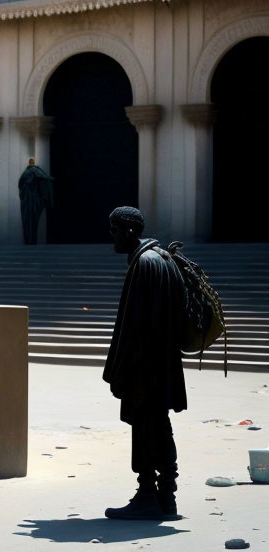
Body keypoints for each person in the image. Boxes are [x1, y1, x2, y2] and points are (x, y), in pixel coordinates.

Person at [103, 206, 187, 520]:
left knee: (146, 429)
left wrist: (125, 373)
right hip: (163, 365)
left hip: (146, 369)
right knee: (160, 426)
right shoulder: (164, 259)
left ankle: (147, 496)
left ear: (129, 231)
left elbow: (135, 327)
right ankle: (167, 496)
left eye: (114, 230)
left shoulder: (145, 264)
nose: (111, 236)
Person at [18, 157, 54, 244]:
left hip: (30, 201)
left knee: (29, 222)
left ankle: (30, 241)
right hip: (31, 201)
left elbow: (21, 186)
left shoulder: (27, 173)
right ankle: (30, 241)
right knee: (31, 222)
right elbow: (45, 178)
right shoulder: (34, 171)